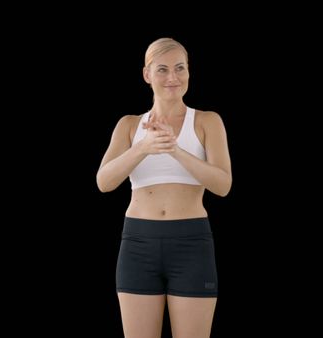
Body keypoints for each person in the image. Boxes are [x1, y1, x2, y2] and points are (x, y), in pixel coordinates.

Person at [96, 37, 232, 338]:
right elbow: (104, 182)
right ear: (147, 74)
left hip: (191, 244)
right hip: (138, 245)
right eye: (162, 69)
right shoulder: (130, 125)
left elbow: (223, 185)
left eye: (180, 68)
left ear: (189, 71)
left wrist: (175, 150)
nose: (173, 77)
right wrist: (142, 148)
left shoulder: (208, 121)